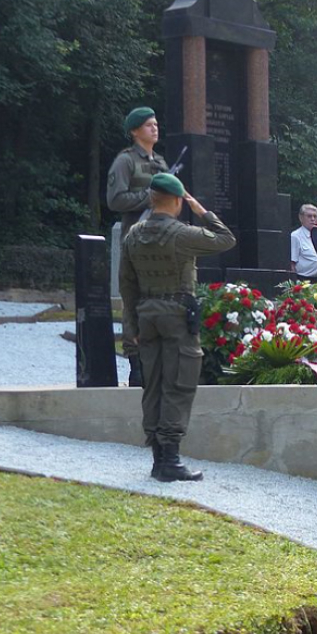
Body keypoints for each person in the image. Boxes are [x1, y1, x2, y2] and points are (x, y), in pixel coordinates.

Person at [119, 173, 236, 482]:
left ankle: (158, 458)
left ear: (151, 199)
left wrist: (130, 324)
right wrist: (202, 211)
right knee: (179, 385)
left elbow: (126, 284)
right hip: (176, 315)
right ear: (176, 200)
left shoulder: (133, 235)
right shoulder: (182, 234)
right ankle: (170, 460)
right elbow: (226, 239)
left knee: (153, 384)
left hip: (146, 315)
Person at [107, 106, 170, 387]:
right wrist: (148, 196)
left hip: (162, 243)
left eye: (156, 124)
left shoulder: (162, 162)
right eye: (148, 125)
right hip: (137, 243)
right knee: (134, 303)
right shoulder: (125, 162)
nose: (154, 128)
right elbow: (115, 200)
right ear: (134, 131)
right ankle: (136, 365)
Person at [289, 204, 317, 280]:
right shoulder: (295, 236)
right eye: (309, 216)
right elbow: (292, 264)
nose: (312, 219)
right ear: (301, 218)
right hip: (303, 279)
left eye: (315, 216)